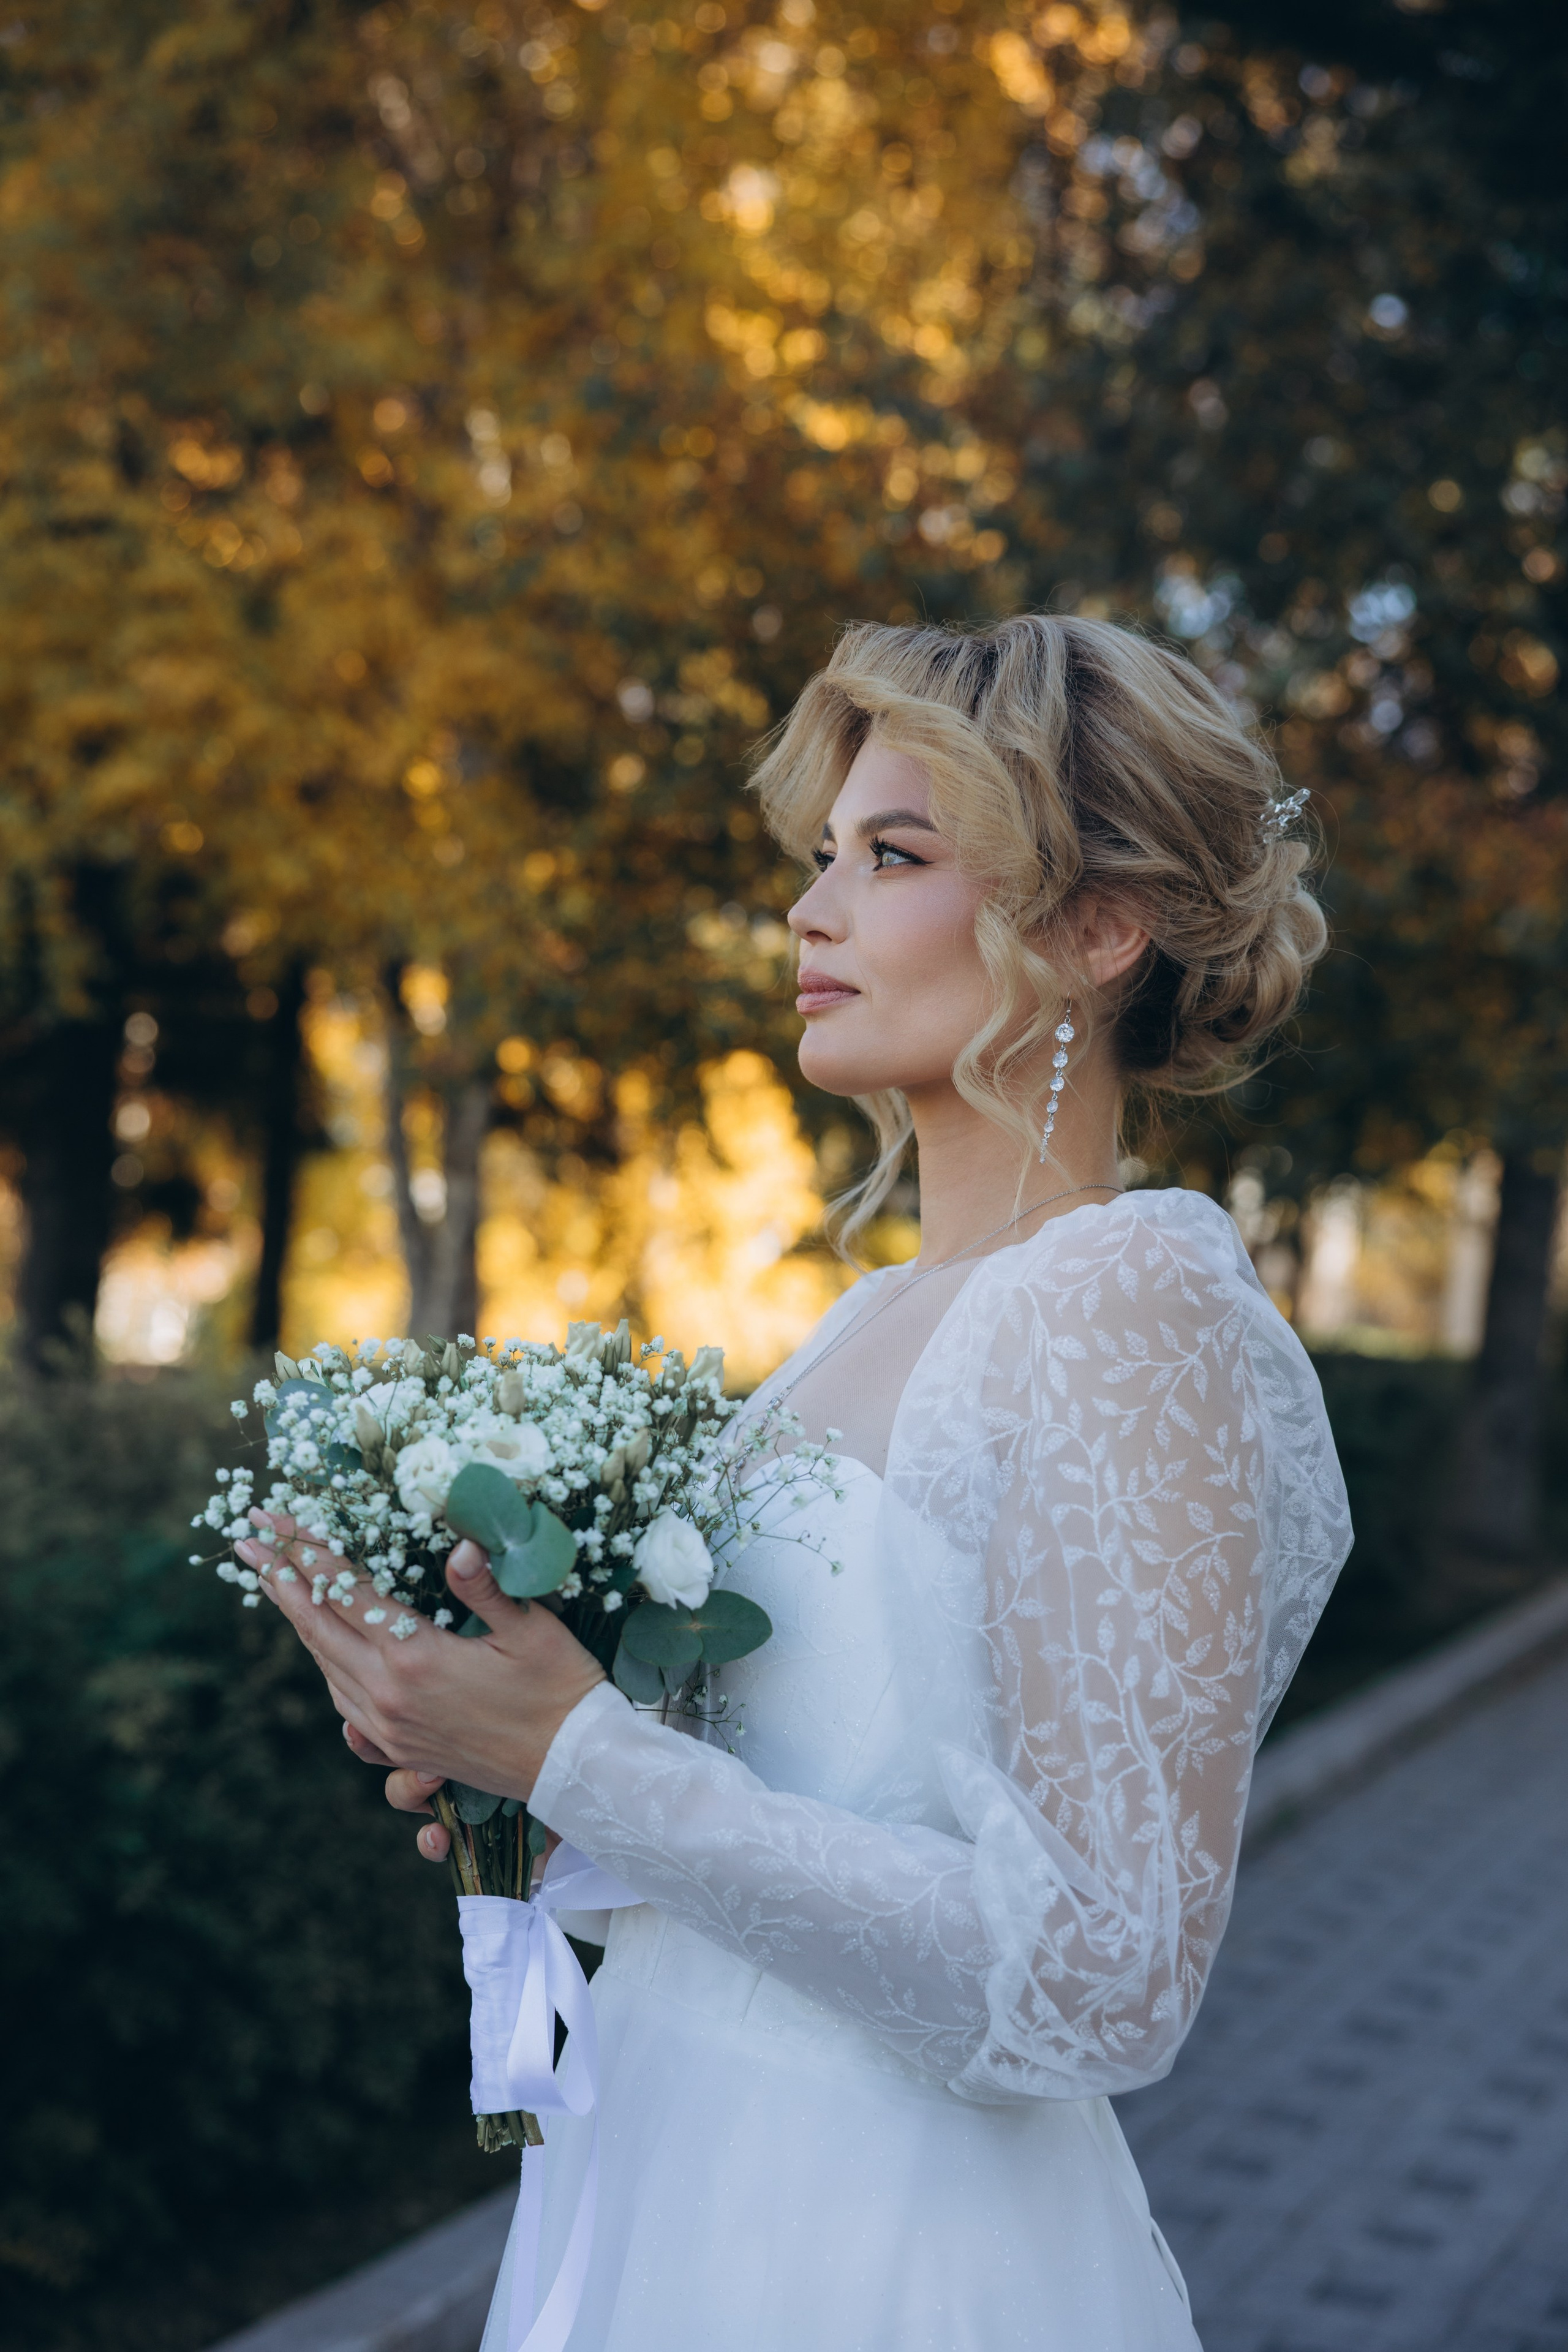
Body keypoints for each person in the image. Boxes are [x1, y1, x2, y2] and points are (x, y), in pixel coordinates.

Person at [241, 614, 1352, 2351]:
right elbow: (774, 1828)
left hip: (889, 2247)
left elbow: (1108, 1981)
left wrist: (582, 1755)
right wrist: (502, 1786)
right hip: (667, 2182)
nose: (810, 909)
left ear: (1095, 929)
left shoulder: (1128, 1309)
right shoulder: (858, 1324)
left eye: (892, 857)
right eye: (822, 857)